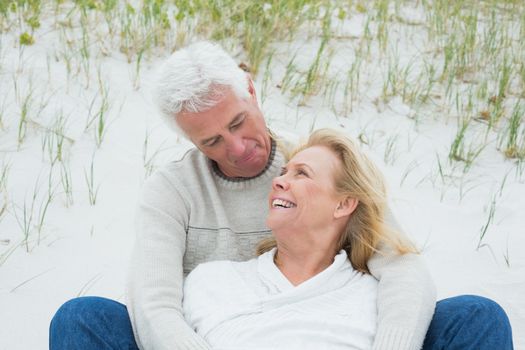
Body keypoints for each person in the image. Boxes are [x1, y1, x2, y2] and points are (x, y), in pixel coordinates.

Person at [49, 41, 513, 350]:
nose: (236, 149)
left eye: (236, 123)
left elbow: (401, 264)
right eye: (210, 142)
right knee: (82, 319)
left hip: (335, 325)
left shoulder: (317, 161)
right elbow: (154, 303)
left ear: (250, 91)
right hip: (212, 332)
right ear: (189, 141)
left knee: (475, 316)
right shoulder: (171, 192)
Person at [182, 128, 417, 349]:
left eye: (302, 173)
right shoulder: (212, 280)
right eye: (284, 172)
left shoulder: (374, 298)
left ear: (343, 204)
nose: (278, 181)